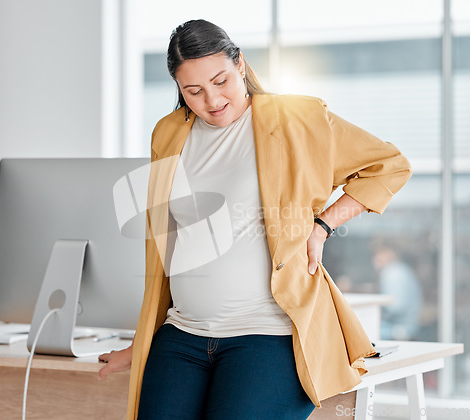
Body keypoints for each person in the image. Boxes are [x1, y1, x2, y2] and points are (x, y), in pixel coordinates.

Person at [98, 19, 412, 420]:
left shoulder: (298, 119)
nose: (212, 99)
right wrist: (139, 343)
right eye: (193, 91)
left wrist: (323, 226)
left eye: (221, 81)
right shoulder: (168, 133)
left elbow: (390, 166)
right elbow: (167, 244)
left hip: (267, 335)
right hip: (183, 335)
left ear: (240, 64)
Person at [373, 241, 423, 340]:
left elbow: (397, 307)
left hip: (401, 329)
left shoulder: (392, 272)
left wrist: (376, 312)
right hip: (410, 326)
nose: (375, 258)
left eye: (380, 254)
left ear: (391, 253)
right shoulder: (402, 269)